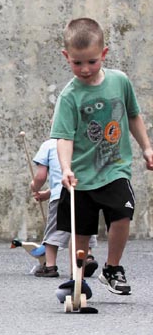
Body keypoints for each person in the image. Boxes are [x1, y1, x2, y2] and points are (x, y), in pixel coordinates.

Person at [52, 18, 153, 295]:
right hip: (81, 177)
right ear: (66, 57)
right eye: (77, 63)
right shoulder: (70, 96)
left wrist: (146, 147)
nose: (85, 69)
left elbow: (133, 115)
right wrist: (65, 168)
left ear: (104, 54)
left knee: (122, 214)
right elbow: (64, 137)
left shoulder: (119, 81)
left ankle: (112, 268)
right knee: (81, 232)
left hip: (114, 168)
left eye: (92, 62)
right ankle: (78, 277)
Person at [29, 138, 98, 278]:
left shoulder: (49, 145)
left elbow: (41, 176)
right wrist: (47, 194)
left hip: (60, 196)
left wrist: (34, 187)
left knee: (55, 229)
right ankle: (87, 257)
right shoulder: (84, 142)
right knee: (83, 227)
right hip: (84, 191)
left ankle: (50, 266)